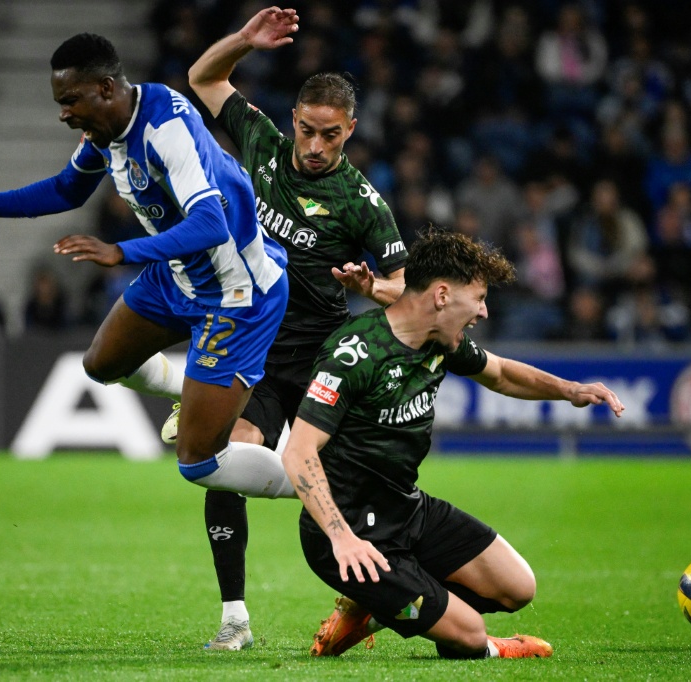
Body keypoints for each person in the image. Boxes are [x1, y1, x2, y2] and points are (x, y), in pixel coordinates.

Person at [0, 31, 299, 641]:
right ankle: (184, 387)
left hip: (238, 291)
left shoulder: (165, 127)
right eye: (60, 102)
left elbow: (212, 222)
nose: (64, 113)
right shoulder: (107, 131)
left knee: (197, 464)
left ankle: (320, 482)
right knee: (100, 363)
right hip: (178, 276)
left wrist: (122, 250)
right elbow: (66, 189)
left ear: (108, 88)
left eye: (72, 100)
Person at [282, 228, 625, 659]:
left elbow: (499, 373)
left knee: (518, 588)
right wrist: (342, 538)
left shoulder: (442, 341)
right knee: (468, 634)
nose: (482, 312)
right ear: (442, 295)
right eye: (478, 298)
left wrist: (568, 389)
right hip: (350, 531)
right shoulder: (353, 355)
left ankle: (373, 608)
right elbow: (298, 452)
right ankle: (484, 644)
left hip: (406, 509)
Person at [180, 6, 408, 650]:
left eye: (329, 135)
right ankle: (234, 618)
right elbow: (202, 77)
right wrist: (246, 43)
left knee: (345, 487)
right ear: (293, 122)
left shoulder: (362, 203)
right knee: (227, 461)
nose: (314, 146)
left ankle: (360, 598)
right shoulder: (261, 145)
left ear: (351, 131)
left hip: (319, 360)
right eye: (307, 130)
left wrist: (371, 288)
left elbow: (407, 289)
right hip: (255, 349)